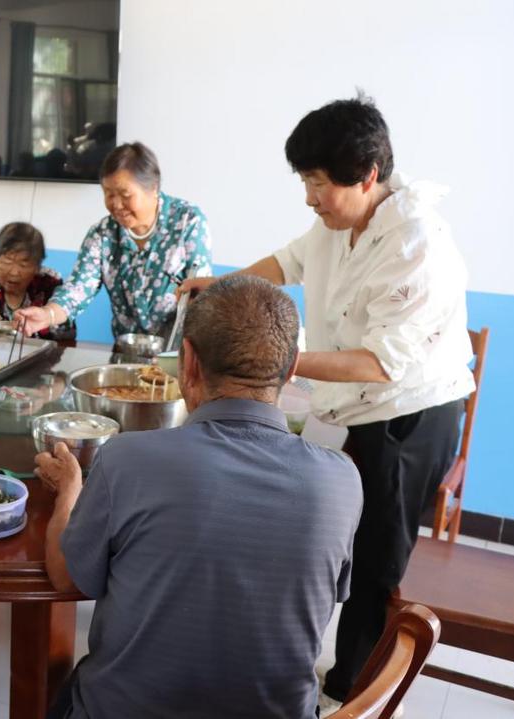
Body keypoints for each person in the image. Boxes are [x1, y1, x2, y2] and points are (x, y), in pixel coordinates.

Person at [179, 96, 474, 711]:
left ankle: (351, 695)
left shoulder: (418, 245)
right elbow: (289, 261)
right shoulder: (337, 222)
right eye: (305, 181)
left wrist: (275, 360)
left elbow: (380, 362)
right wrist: (226, 284)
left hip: (408, 416)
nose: (310, 196)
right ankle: (290, 655)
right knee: (310, 529)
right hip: (344, 405)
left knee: (374, 563)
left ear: (367, 175)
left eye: (318, 182)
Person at [36, 275, 362, 719]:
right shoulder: (342, 481)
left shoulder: (127, 460)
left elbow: (66, 578)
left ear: (187, 361)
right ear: (291, 369)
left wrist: (70, 491)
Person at [15, 142, 212, 341]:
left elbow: (201, 296)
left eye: (125, 195)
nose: (116, 205)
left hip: (176, 352)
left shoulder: (188, 221)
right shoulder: (103, 234)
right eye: (108, 194)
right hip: (126, 350)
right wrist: (47, 315)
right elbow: (78, 289)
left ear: (153, 188)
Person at [0, 222, 75, 340]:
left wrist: (46, 321)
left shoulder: (49, 283)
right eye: (7, 261)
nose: (14, 272)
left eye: (24, 264)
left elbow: (68, 331)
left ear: (37, 267)